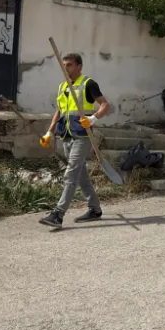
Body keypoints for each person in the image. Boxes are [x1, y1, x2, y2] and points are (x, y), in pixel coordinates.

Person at [38, 53, 110, 229]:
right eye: (64, 65)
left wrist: (93, 119)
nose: (65, 68)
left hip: (83, 136)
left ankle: (58, 214)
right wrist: (49, 132)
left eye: (69, 65)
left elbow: (105, 104)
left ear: (79, 66)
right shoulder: (63, 86)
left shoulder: (88, 84)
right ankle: (95, 209)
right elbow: (59, 111)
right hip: (66, 136)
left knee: (71, 173)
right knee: (81, 175)